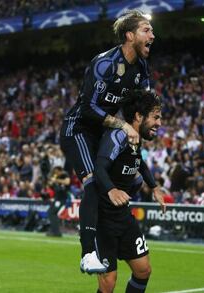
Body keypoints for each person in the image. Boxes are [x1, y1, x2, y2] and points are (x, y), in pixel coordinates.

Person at [59, 10, 155, 273]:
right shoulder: (105, 64)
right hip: (78, 128)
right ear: (129, 35)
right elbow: (89, 108)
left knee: (120, 179)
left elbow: (143, 106)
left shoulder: (142, 68)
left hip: (103, 132)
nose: (152, 36)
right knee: (92, 182)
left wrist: (148, 125)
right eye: (146, 30)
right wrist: (124, 125)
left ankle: (112, 237)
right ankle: (88, 254)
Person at [94, 90, 165, 292]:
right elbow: (99, 167)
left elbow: (138, 162)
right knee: (108, 282)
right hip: (102, 218)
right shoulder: (117, 135)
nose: (159, 123)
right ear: (138, 116)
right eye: (156, 117)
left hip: (123, 216)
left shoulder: (135, 139)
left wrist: (154, 187)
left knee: (143, 270)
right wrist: (111, 190)